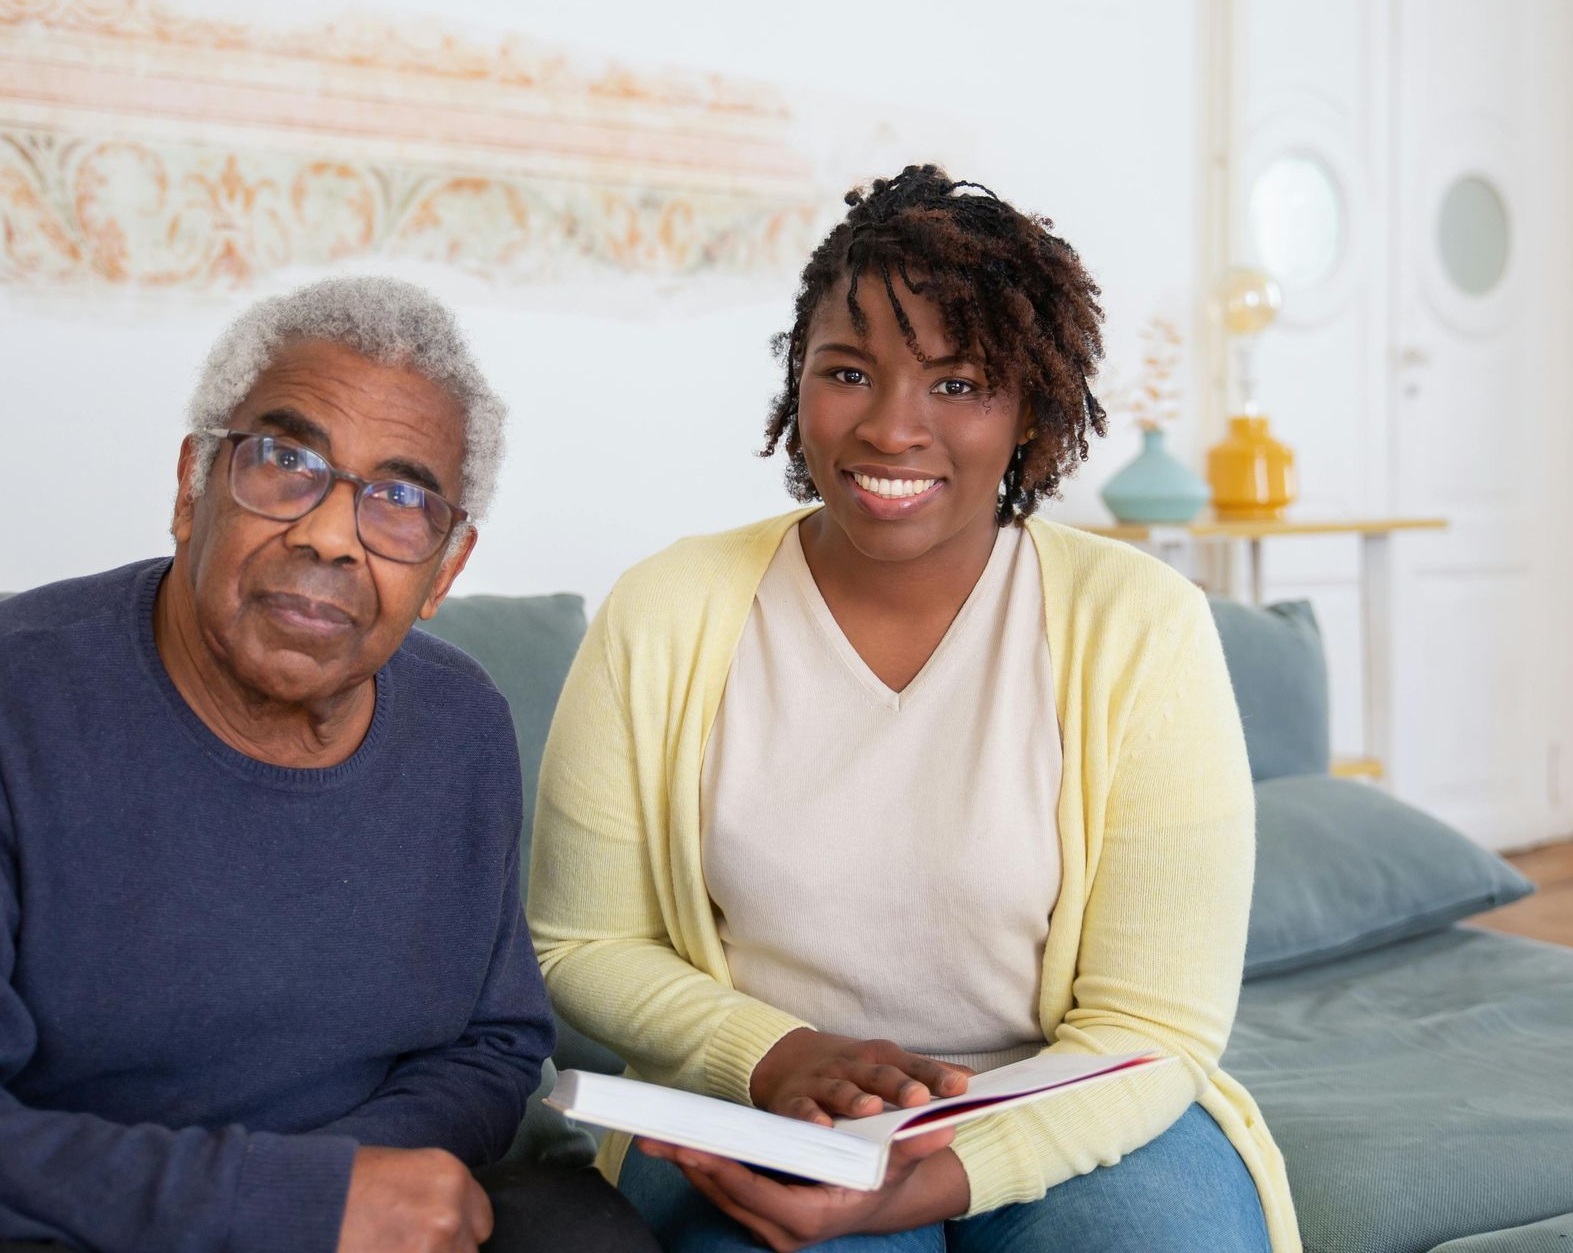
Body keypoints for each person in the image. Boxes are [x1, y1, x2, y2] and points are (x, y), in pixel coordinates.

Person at [0, 277, 656, 1253]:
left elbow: (492, 1042)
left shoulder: (462, 722)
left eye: (399, 498)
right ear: (193, 487)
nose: (325, 534)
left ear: (445, 568)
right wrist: (280, 1203)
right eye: (286, 460)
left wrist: (347, 1186)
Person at [527, 167, 1303, 1252]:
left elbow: (1151, 1027)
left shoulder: (1142, 625)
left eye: (959, 383)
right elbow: (584, 939)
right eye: (849, 371)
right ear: (797, 384)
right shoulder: (667, 610)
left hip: (1070, 1104)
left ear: (1031, 408)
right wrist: (775, 1052)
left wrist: (925, 1181)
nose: (893, 428)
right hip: (769, 1111)